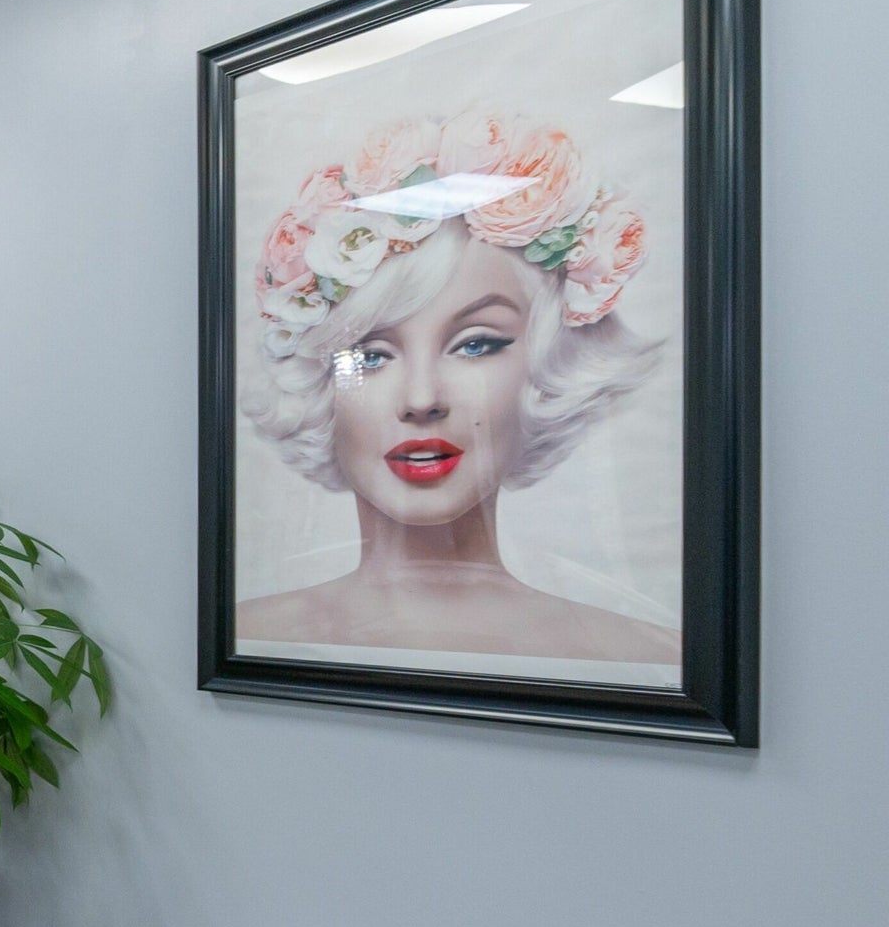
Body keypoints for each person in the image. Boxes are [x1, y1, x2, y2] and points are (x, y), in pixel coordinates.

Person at [237, 109, 671, 664]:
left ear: (547, 366)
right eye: (371, 355)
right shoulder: (246, 640)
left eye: (475, 344)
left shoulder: (646, 660)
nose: (422, 399)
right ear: (318, 382)